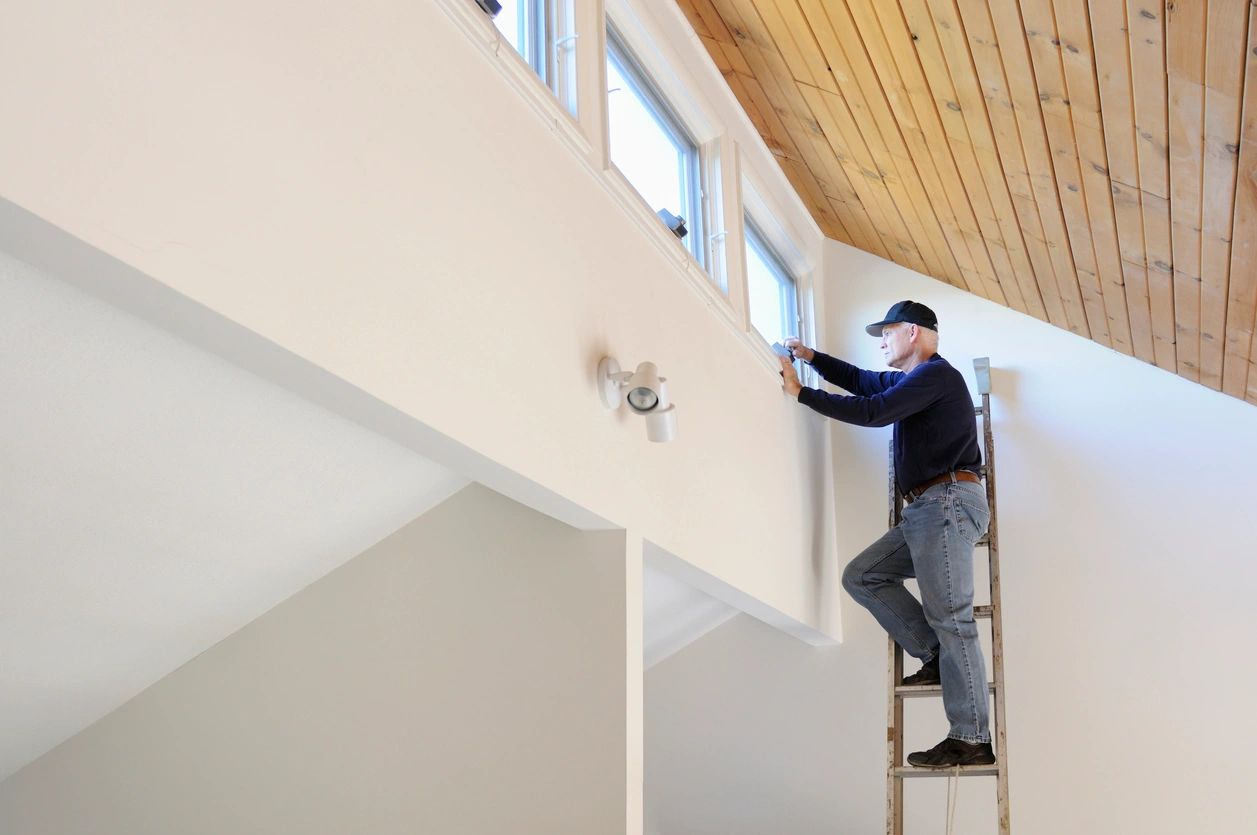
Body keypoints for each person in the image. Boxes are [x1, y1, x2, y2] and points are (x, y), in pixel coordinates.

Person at [780, 300, 995, 768]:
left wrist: (803, 394)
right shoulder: (912, 380)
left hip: (946, 502)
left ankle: (972, 737)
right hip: (927, 510)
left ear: (913, 333)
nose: (881, 341)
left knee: (953, 617)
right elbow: (864, 382)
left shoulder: (937, 376)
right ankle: (936, 656)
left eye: (888, 332)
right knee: (863, 576)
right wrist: (813, 358)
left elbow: (874, 411)